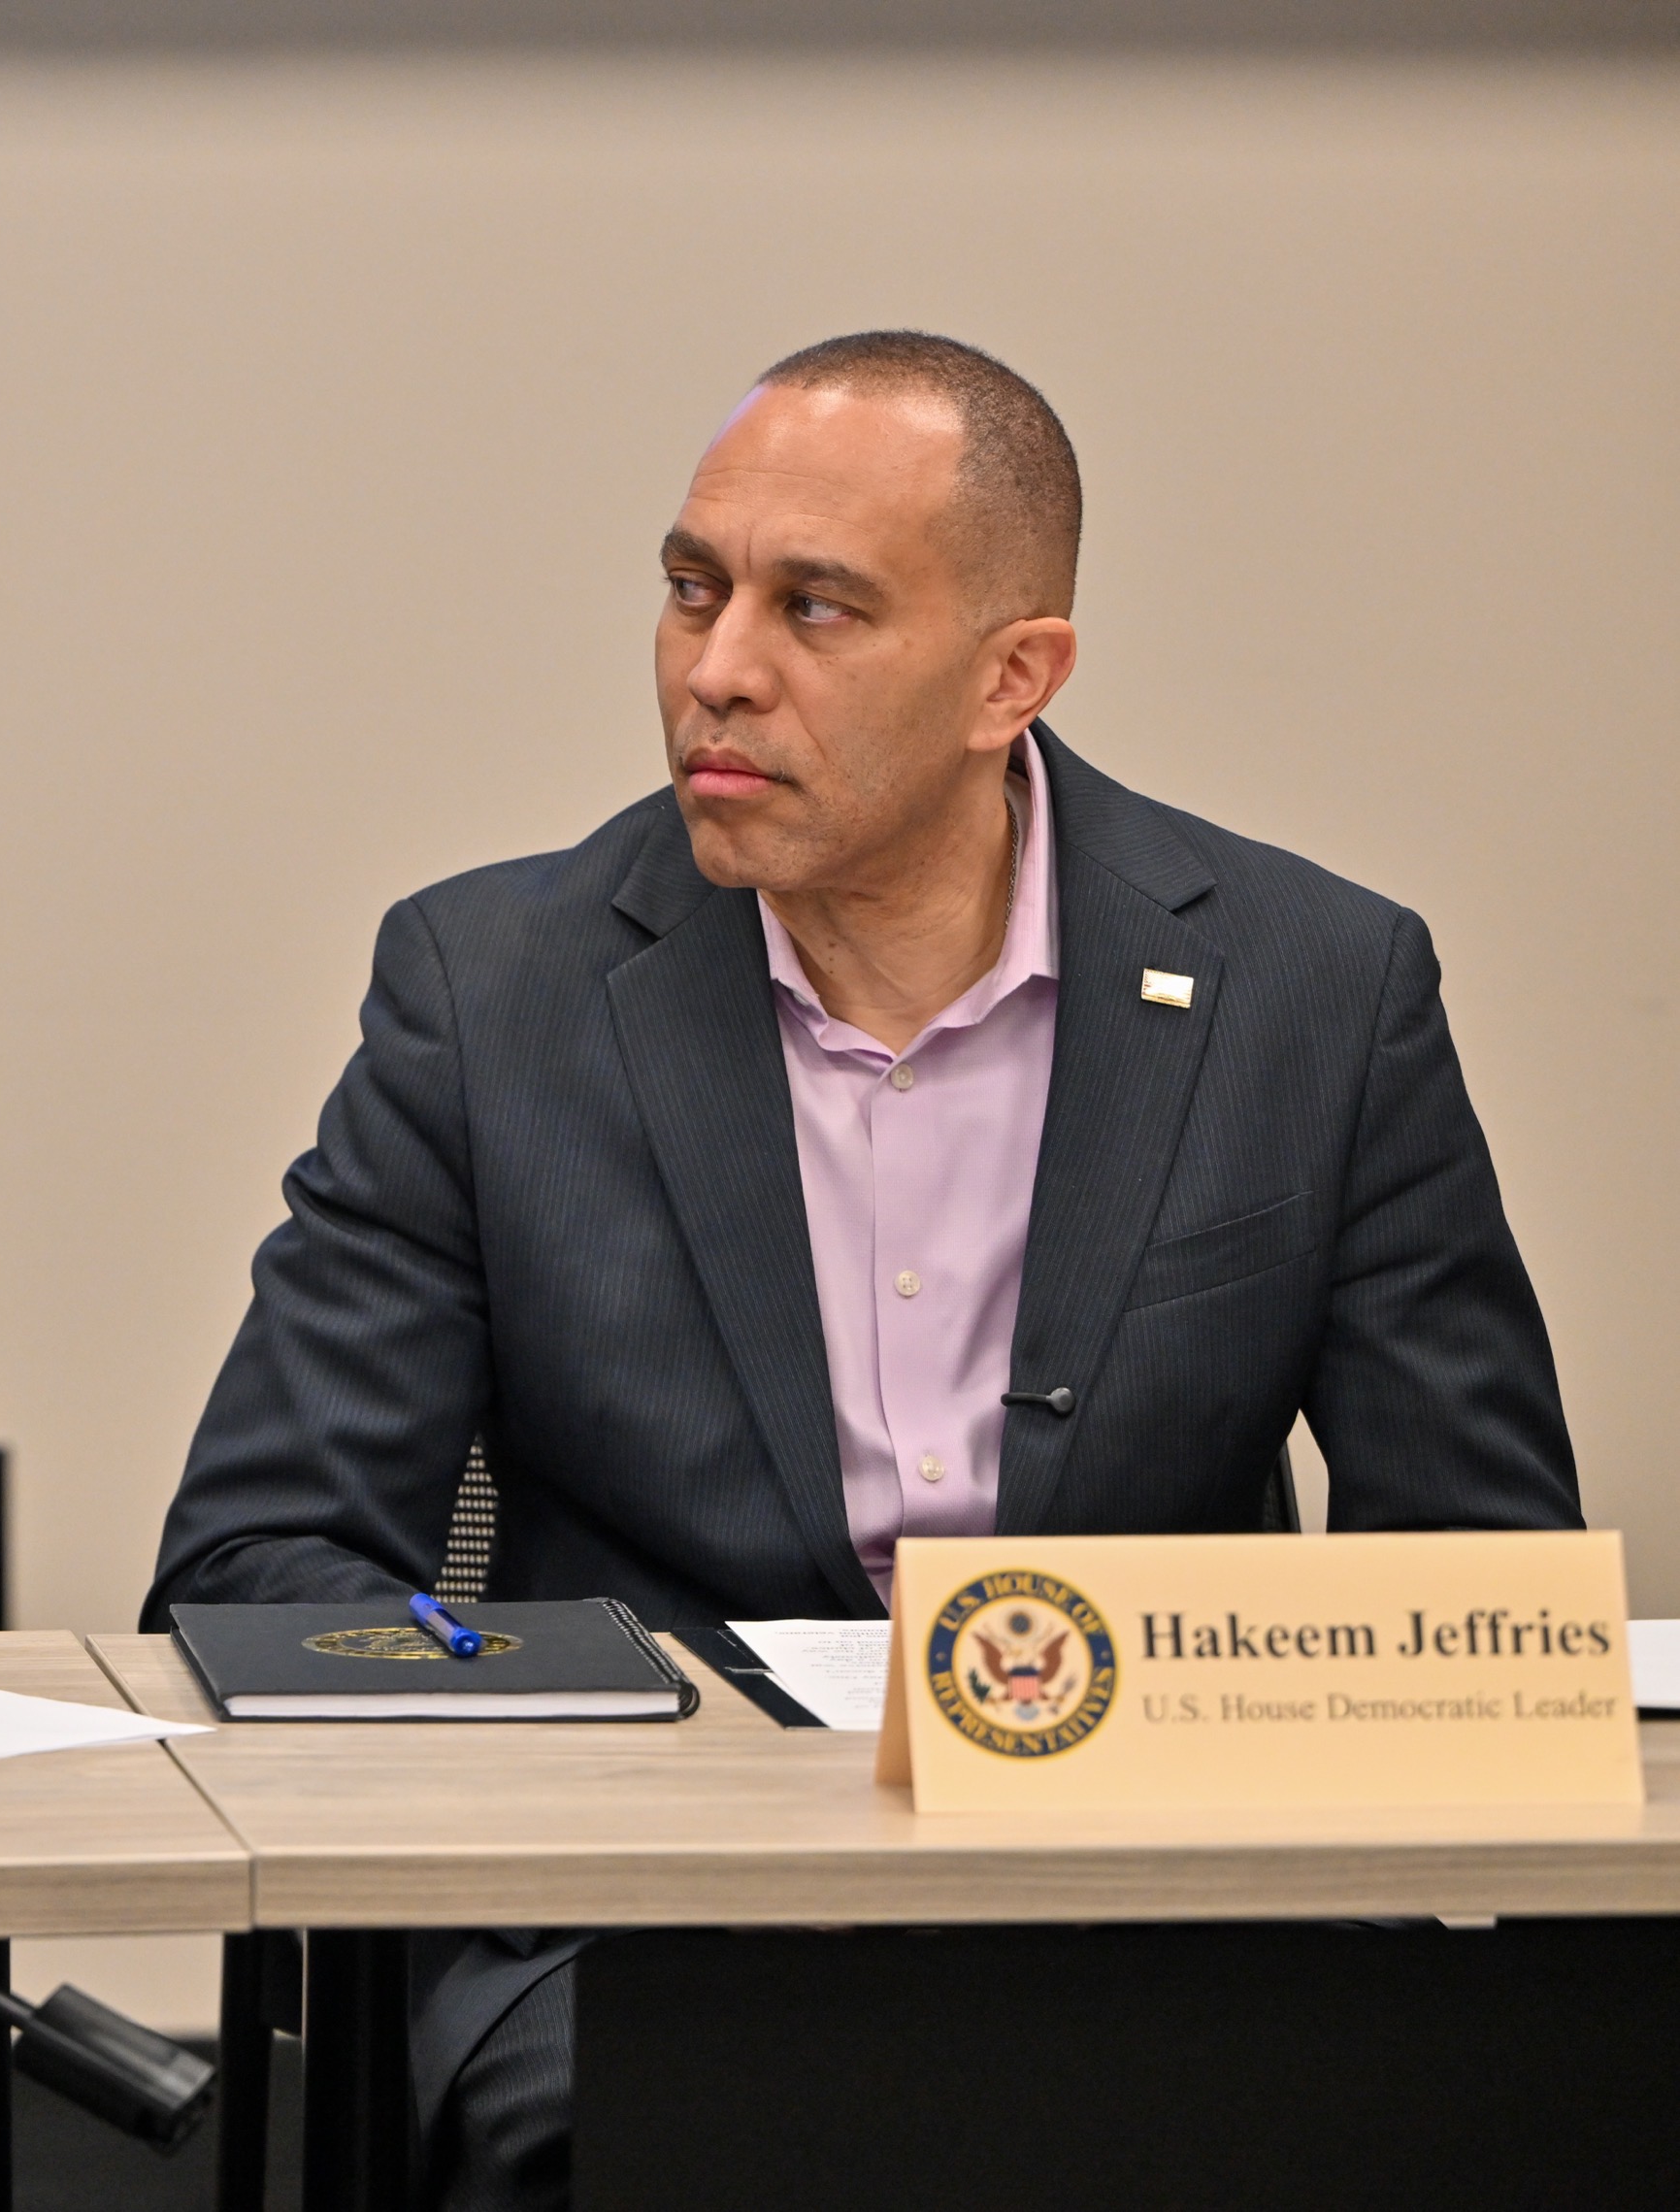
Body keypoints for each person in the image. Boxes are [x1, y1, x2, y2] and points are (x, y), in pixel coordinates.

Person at [144, 331, 1579, 2207]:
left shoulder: (1316, 993)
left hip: (1174, 1906)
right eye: (691, 589)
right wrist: (650, 1727)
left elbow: (1477, 1589)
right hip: (649, 1938)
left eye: (814, 608)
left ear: (1015, 676)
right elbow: (259, 1567)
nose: (716, 669)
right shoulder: (492, 996)